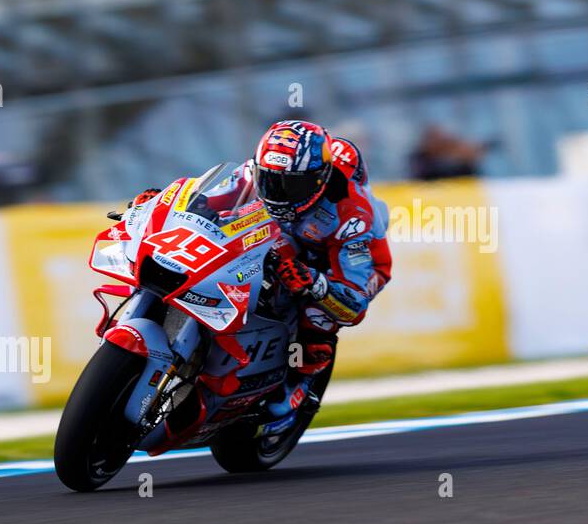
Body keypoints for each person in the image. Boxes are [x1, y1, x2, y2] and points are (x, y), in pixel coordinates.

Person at [130, 120, 393, 417]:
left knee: (318, 313)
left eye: (291, 184)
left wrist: (315, 282)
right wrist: (162, 206)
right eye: (270, 180)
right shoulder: (251, 174)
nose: (278, 192)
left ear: (320, 179)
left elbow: (355, 303)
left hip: (342, 261)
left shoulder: (352, 217)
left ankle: (301, 380)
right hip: (279, 235)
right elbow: (207, 200)